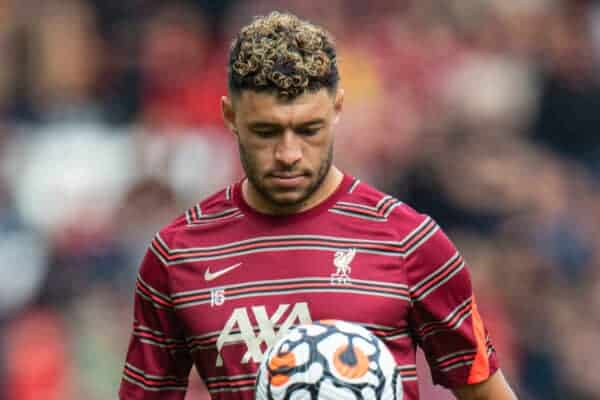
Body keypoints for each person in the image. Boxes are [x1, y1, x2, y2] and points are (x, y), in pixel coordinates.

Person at [118, 11, 517, 400]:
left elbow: (485, 390)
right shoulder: (177, 255)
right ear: (230, 116)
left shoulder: (410, 241)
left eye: (309, 130)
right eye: (266, 131)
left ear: (337, 109)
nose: (288, 153)